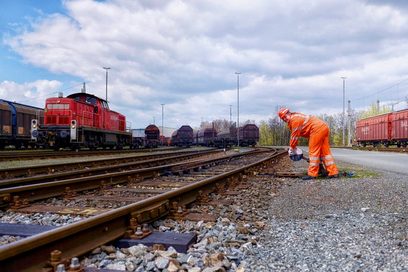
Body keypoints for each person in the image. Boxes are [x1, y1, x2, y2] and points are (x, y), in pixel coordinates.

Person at [278, 108, 339, 180]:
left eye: (285, 116)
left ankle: (312, 174)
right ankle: (333, 172)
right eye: (283, 119)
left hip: (316, 129)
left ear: (288, 113)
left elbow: (294, 137)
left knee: (313, 152)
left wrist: (292, 148)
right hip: (323, 127)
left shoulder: (294, 119)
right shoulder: (296, 116)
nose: (285, 119)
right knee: (325, 152)